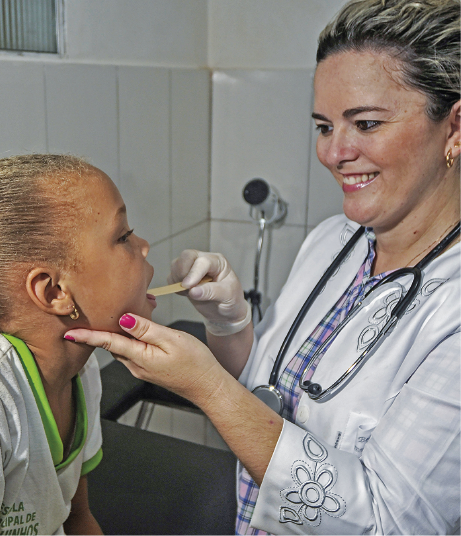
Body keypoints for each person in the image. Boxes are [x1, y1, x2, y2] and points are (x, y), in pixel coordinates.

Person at [65, 0, 461, 534]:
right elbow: (269, 391)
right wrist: (230, 327)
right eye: (323, 126)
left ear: (454, 128)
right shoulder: (333, 241)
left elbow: (392, 522)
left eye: (365, 123)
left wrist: (209, 389)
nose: (334, 152)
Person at [0, 154, 155, 535]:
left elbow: (75, 516)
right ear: (54, 293)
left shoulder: (81, 370)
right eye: (123, 236)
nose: (145, 245)